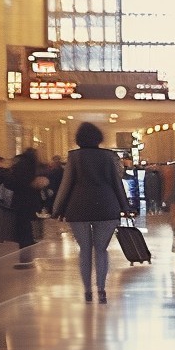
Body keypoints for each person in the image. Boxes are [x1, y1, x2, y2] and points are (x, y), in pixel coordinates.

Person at [53, 121, 130, 303]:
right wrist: (124, 207)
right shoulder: (108, 157)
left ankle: (87, 291)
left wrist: (58, 208)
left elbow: (66, 184)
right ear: (99, 138)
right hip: (106, 207)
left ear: (78, 139)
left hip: (78, 208)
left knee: (85, 250)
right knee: (101, 250)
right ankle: (101, 289)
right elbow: (116, 182)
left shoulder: (75, 157)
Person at [4, 146, 44, 266]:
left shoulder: (21, 164)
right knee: (27, 229)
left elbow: (12, 182)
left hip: (21, 201)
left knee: (22, 229)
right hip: (31, 201)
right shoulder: (33, 165)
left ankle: (25, 259)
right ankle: (27, 256)